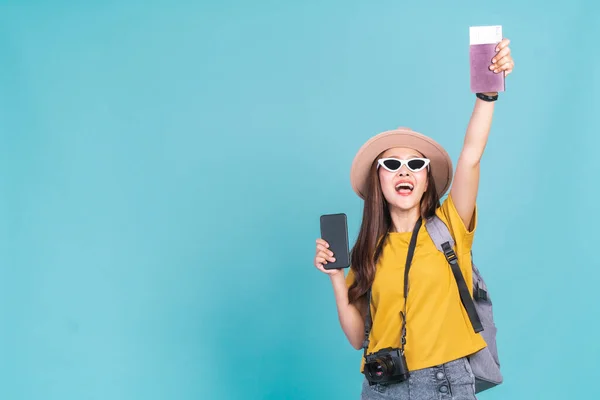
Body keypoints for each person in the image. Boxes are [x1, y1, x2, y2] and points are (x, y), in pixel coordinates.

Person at [313, 39, 514, 400]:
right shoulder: (367, 252)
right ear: (379, 180)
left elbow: (470, 157)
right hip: (381, 384)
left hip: (444, 382)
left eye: (415, 165)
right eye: (391, 165)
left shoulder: (450, 226)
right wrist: (336, 279)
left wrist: (487, 95)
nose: (403, 172)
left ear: (425, 180)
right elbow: (358, 337)